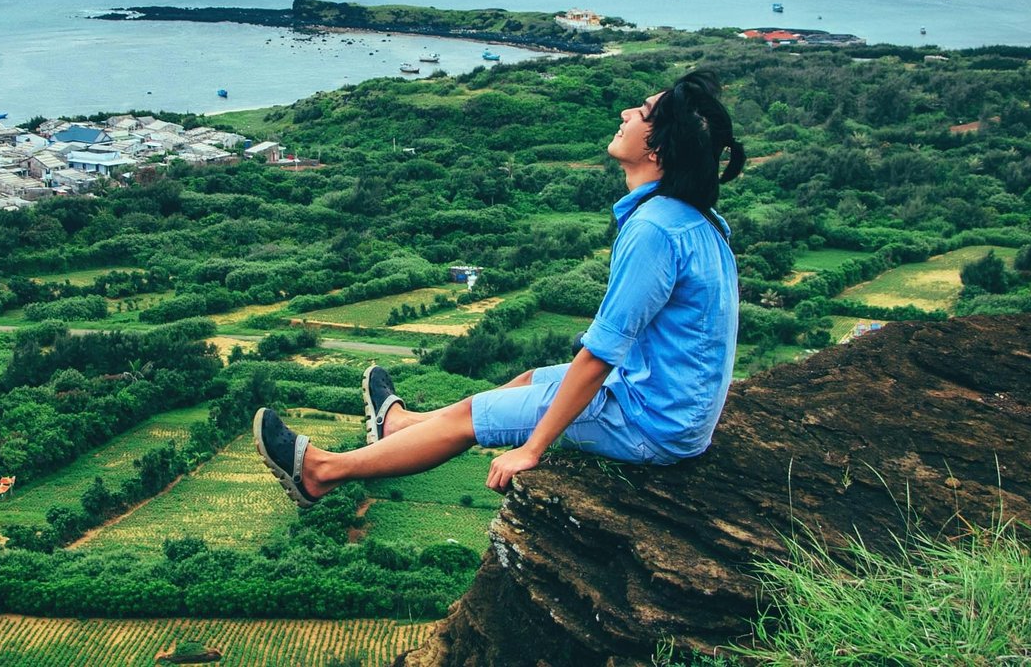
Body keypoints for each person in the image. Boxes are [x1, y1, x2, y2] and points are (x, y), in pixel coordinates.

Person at [254, 70, 746, 508]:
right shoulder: (695, 218)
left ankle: (320, 474)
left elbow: (600, 356)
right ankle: (402, 426)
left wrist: (531, 451)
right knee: (531, 378)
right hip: (668, 407)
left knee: (474, 416)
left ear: (657, 147)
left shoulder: (654, 230)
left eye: (640, 113)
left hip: (649, 424)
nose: (624, 113)